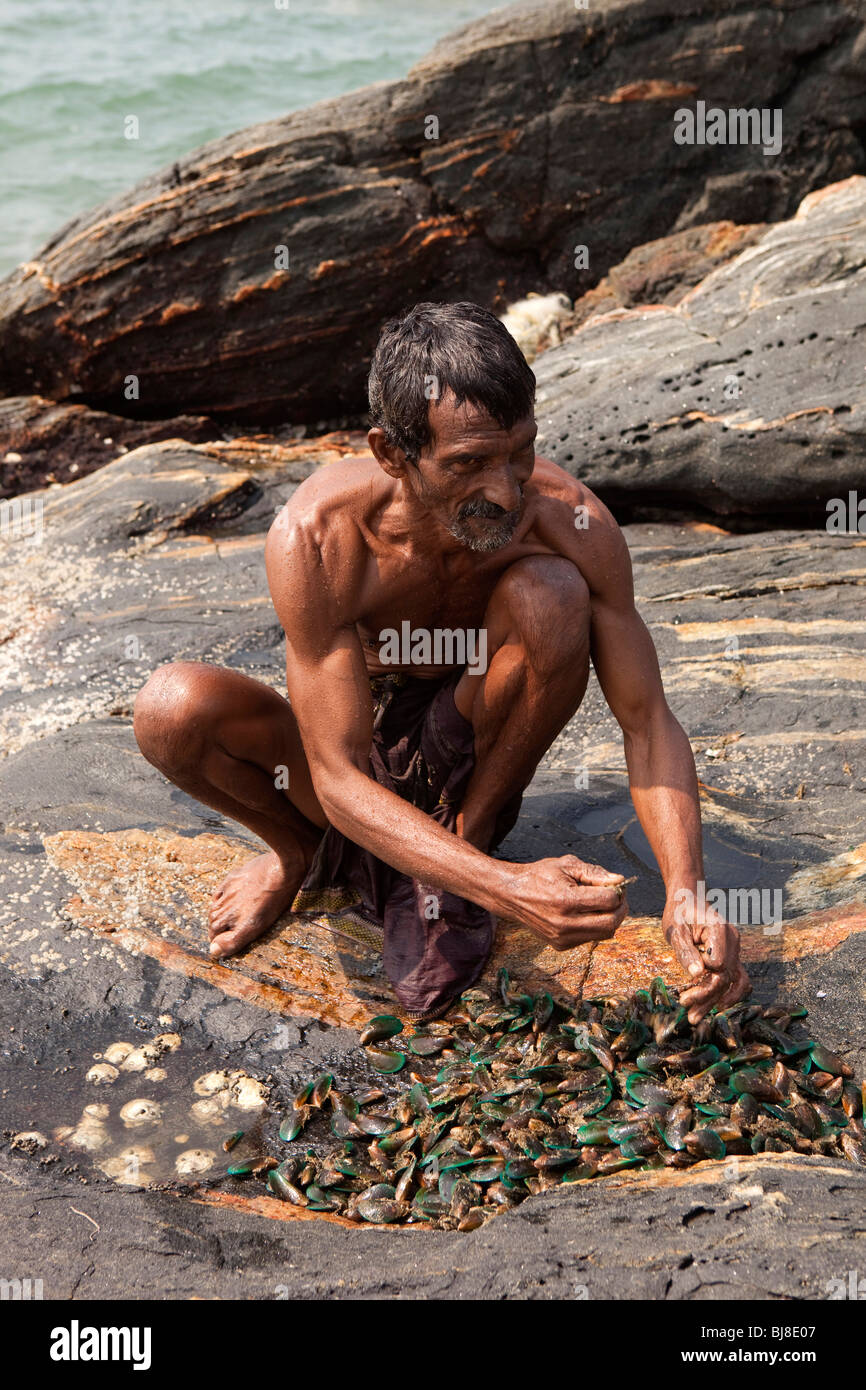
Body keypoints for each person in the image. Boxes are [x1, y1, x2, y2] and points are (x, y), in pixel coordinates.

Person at [133, 300, 750, 1021]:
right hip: (357, 750)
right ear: (391, 454)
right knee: (170, 709)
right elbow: (334, 773)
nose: (506, 489)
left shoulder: (568, 520)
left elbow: (647, 719)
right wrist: (509, 890)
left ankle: (468, 837)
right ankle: (299, 855)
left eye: (519, 450)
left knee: (552, 592)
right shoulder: (319, 537)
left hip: (473, 737)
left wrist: (685, 889)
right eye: (468, 465)